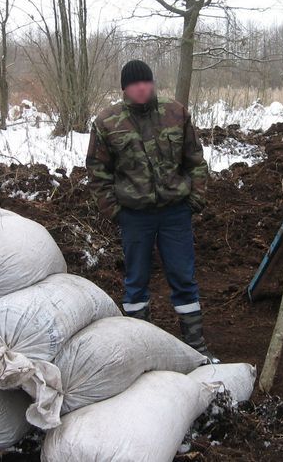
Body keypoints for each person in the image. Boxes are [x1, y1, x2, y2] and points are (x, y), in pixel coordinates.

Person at [86, 59, 217, 361]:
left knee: (183, 277)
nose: (141, 88)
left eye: (145, 82)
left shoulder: (175, 113)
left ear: (152, 83)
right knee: (136, 281)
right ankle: (140, 348)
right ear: (124, 88)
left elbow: (195, 161)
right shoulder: (107, 122)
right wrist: (114, 211)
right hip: (134, 216)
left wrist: (195, 199)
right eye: (134, 83)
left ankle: (195, 345)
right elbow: (97, 172)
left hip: (175, 213)